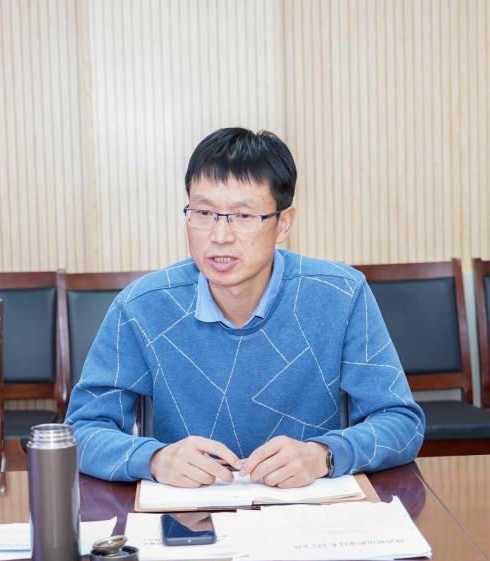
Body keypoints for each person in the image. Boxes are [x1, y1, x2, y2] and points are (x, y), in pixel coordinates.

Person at [65, 128, 424, 488]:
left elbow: (401, 422)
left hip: (307, 511)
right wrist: (154, 458)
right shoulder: (142, 306)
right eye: (203, 212)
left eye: (243, 216)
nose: (220, 236)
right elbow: (81, 430)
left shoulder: (340, 295)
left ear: (283, 223)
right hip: (189, 512)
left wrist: (323, 455)